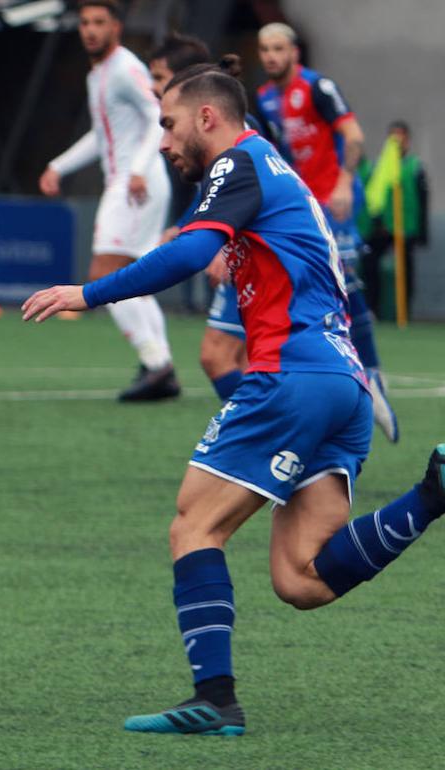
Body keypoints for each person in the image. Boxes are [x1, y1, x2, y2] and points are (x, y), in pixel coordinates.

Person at [23, 61, 445, 736]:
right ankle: (432, 494)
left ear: (208, 117)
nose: (162, 141)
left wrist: (88, 292)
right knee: (302, 578)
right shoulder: (272, 169)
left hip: (290, 378)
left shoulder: (238, 163)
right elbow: (222, 245)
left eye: (168, 124)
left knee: (194, 524)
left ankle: (215, 699)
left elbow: (192, 256)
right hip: (342, 385)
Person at [255, 22, 399, 443]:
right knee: (316, 292)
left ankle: (373, 377)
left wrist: (342, 183)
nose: (270, 56)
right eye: (264, 49)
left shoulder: (317, 87)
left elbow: (353, 135)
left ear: (294, 52)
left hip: (334, 203)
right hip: (303, 209)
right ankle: (339, 379)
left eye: (278, 48)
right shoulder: (265, 98)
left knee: (347, 285)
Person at [38, 0, 177, 402]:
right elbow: (101, 135)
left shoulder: (125, 68)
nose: (90, 30)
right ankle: (159, 364)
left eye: (99, 22)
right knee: (136, 279)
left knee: (104, 275)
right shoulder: (99, 73)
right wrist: (58, 165)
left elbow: (158, 114)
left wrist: (138, 168)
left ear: (116, 27)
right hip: (134, 181)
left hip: (136, 183)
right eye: (84, 23)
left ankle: (156, 364)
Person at [148, 34, 247, 402]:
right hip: (252, 260)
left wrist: (90, 294)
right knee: (246, 364)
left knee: (219, 357)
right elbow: (217, 198)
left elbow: (242, 200)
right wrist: (184, 227)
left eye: (159, 78)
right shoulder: (224, 149)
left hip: (260, 265)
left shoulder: (239, 146)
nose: (152, 86)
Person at [361, 120, 429, 318]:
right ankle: (372, 309)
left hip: (405, 227)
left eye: (401, 137)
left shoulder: (415, 166)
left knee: (406, 268)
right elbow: (376, 196)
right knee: (370, 262)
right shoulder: (381, 166)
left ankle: (404, 312)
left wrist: (421, 233)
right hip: (383, 227)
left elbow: (422, 201)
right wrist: (377, 223)